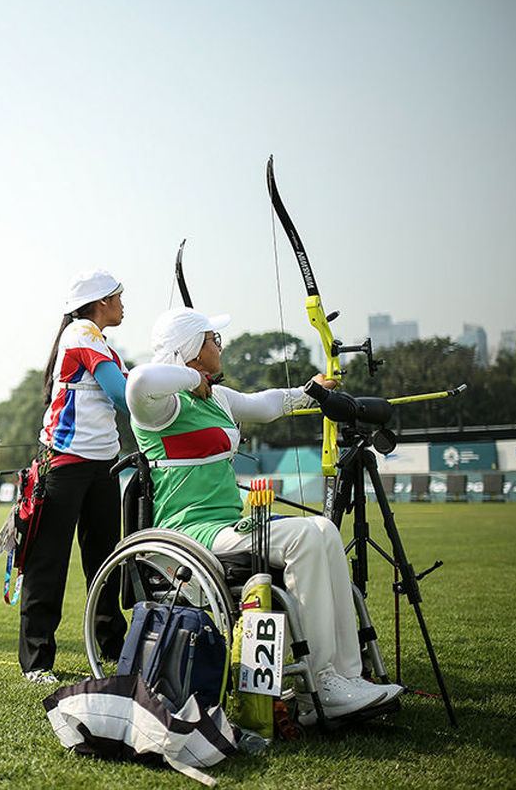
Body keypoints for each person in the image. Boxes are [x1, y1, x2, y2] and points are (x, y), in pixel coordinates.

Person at [125, 306, 405, 722]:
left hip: (229, 524)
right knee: (304, 537)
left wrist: (312, 392)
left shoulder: (217, 399)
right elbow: (139, 380)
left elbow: (266, 404)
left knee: (324, 529)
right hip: (189, 534)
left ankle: (348, 675)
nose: (219, 345)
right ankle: (320, 685)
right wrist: (189, 375)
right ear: (190, 350)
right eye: (210, 340)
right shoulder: (160, 409)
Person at [18, 270, 130, 683]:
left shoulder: (96, 337)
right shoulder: (82, 332)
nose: (122, 303)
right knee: (49, 561)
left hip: (101, 464)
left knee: (105, 559)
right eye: (118, 296)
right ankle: (37, 660)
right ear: (101, 301)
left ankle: (113, 646)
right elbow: (122, 394)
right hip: (65, 463)